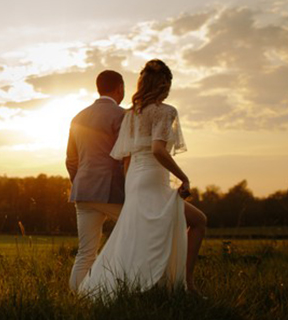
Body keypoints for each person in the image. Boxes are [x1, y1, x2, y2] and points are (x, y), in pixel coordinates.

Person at [78, 59, 208, 298]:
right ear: (164, 84)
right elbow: (159, 150)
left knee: (142, 232)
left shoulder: (131, 114)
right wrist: (184, 177)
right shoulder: (165, 111)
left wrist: (130, 187)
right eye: (168, 83)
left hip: (135, 180)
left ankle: (149, 285)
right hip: (152, 178)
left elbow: (125, 158)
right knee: (198, 221)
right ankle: (187, 285)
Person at [66, 70, 127, 292]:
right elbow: (124, 157)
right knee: (137, 233)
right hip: (111, 191)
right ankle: (126, 288)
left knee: (85, 252)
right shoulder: (122, 115)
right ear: (120, 88)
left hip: (82, 192)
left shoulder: (77, 117)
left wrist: (82, 181)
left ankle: (76, 299)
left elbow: (71, 160)